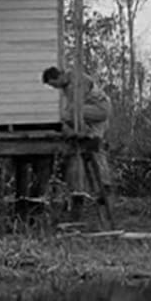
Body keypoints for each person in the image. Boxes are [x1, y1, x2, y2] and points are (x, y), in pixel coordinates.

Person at [42, 66, 114, 226]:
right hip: (95, 118)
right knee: (96, 148)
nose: (55, 88)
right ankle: (105, 184)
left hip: (100, 109)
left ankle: (84, 134)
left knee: (69, 113)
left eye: (54, 84)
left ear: (59, 77)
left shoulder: (76, 78)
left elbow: (77, 104)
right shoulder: (67, 87)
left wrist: (75, 128)